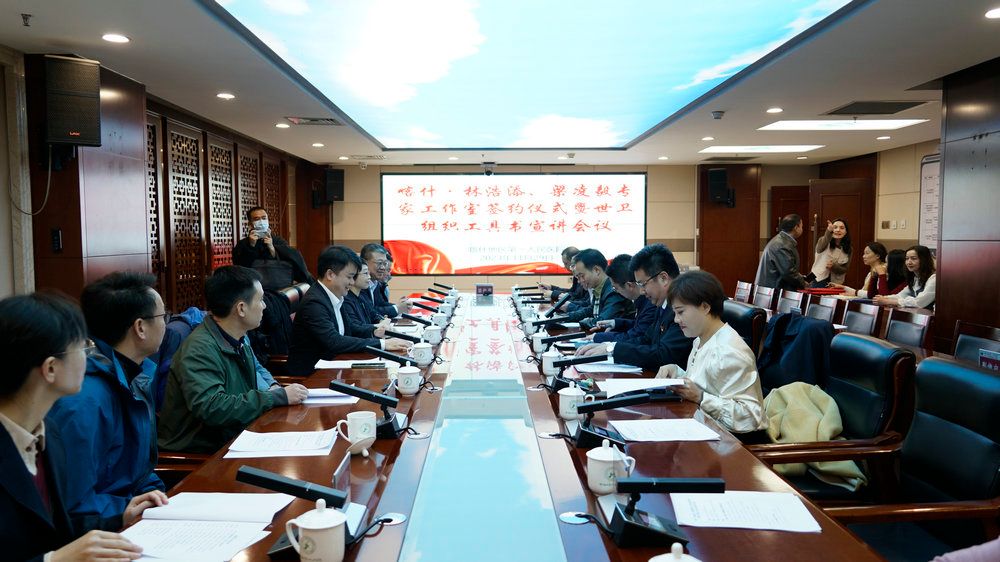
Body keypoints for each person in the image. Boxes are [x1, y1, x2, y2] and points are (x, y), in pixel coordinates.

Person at [0, 292, 167, 562]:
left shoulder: (47, 433)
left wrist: (120, 514)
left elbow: (59, 528)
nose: (91, 357)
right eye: (83, 347)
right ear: (50, 369)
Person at [46, 272, 167, 527]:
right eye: (162, 317)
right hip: (104, 528)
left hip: (133, 515)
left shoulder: (136, 374)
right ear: (140, 327)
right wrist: (124, 510)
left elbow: (140, 472)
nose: (166, 325)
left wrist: (158, 497)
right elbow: (73, 504)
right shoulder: (85, 400)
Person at [158, 266, 309, 453]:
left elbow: (256, 369)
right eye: (260, 300)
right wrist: (274, 397)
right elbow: (212, 408)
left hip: (236, 435)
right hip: (204, 452)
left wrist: (273, 388)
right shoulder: (199, 350)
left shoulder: (238, 336)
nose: (264, 306)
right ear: (241, 308)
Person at [655, 271, 767, 435]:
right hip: (705, 428)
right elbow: (708, 384)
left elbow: (750, 418)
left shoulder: (728, 352)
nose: (676, 320)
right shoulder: (701, 339)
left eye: (681, 312)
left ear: (705, 307)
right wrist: (677, 373)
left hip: (733, 442)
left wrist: (701, 397)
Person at [287, 246, 411, 376]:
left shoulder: (334, 295)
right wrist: (383, 344)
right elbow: (334, 341)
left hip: (336, 366)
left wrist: (374, 330)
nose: (352, 282)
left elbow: (350, 328)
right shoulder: (314, 303)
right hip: (312, 376)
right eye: (350, 277)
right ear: (330, 274)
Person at [586, 244, 693, 370]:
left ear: (663, 278)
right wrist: (609, 346)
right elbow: (646, 339)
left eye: (643, 284)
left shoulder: (685, 306)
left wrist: (613, 349)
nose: (642, 291)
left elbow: (664, 355)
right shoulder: (662, 304)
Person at [576, 254, 655, 349]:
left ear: (629, 285)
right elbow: (639, 325)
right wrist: (615, 323)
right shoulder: (642, 300)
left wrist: (603, 340)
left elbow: (637, 335)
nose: (615, 292)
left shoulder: (651, 302)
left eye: (615, 288)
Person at [232, 206, 314, 285]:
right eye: (257, 219)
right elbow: (240, 268)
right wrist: (251, 246)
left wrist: (272, 249)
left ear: (268, 220)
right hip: (253, 284)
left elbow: (291, 263)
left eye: (264, 218)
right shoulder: (242, 244)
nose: (261, 221)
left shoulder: (278, 241)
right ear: (250, 224)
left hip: (278, 283)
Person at [564, 248, 632, 330]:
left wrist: (585, 322)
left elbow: (603, 322)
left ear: (596, 270)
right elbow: (591, 311)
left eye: (582, 276)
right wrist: (563, 318)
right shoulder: (599, 287)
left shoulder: (613, 290)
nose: (579, 281)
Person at [830, 243, 907, 298]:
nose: (863, 256)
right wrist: (845, 288)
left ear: (877, 255)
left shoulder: (884, 273)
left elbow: (881, 296)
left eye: (867, 253)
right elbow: (869, 293)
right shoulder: (872, 273)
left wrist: (852, 292)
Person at [874, 244, 937, 309]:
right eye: (907, 259)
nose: (909, 262)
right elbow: (901, 295)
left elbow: (919, 302)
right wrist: (883, 298)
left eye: (914, 258)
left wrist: (889, 301)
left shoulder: (933, 278)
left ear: (924, 260)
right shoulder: (915, 278)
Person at [755, 214, 807, 290]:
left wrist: (800, 277)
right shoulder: (782, 245)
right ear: (796, 228)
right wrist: (803, 282)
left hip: (768, 289)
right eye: (801, 227)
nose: (802, 229)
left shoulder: (781, 240)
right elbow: (788, 272)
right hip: (772, 291)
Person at [359, 243, 412, 318]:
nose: (383, 268)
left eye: (385, 263)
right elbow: (369, 312)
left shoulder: (375, 282)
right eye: (379, 263)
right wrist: (397, 308)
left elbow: (380, 304)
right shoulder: (359, 284)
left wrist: (400, 306)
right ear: (364, 262)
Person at [342, 262, 391, 336]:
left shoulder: (362, 296)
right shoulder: (346, 300)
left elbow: (374, 314)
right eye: (365, 273)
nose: (369, 277)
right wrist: (378, 326)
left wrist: (381, 320)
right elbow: (355, 327)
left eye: (368, 273)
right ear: (353, 275)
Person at [807, 219, 851, 287]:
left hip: (836, 282)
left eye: (842, 228)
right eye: (835, 227)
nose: (838, 230)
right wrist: (828, 231)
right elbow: (820, 248)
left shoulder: (849, 248)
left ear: (846, 232)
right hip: (817, 279)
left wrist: (834, 266)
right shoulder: (823, 240)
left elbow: (845, 269)